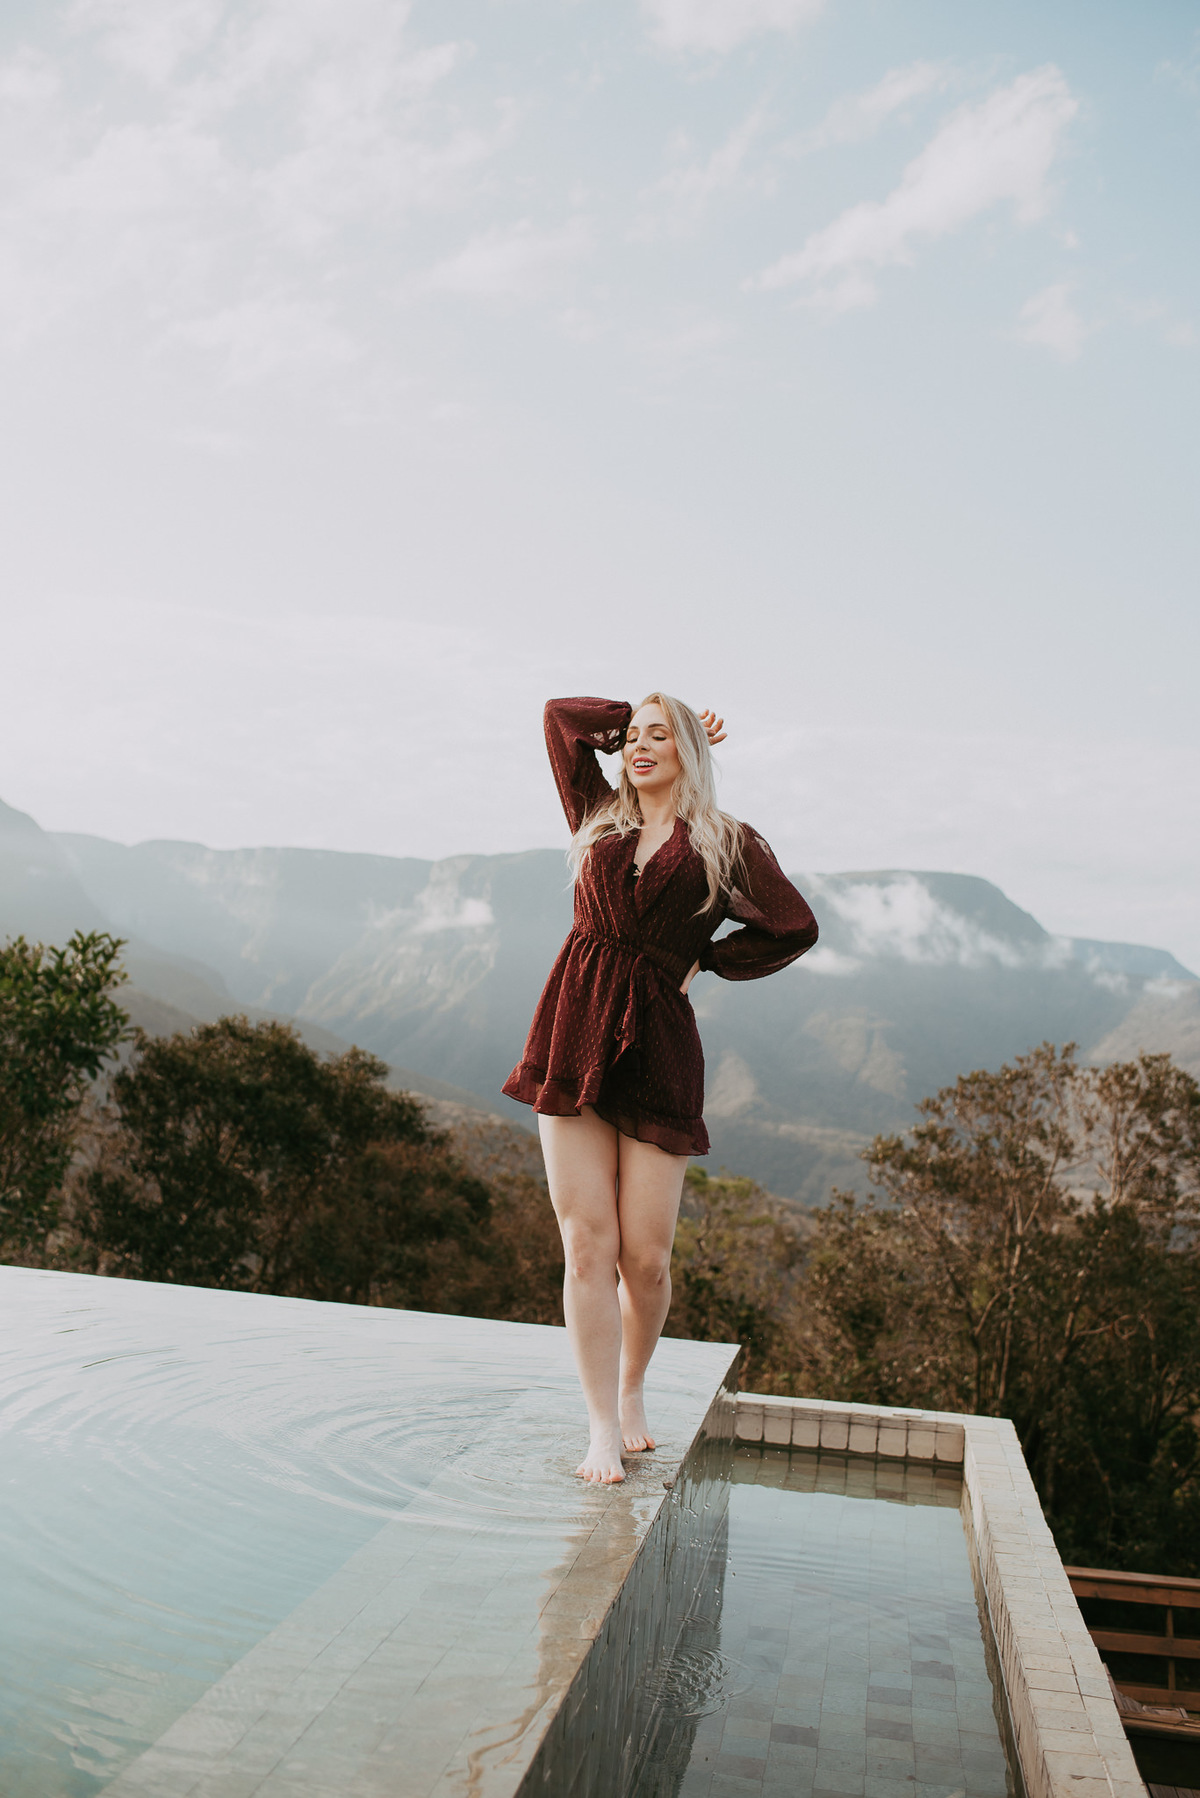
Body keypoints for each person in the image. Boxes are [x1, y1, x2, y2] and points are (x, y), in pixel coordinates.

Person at [503, 695, 818, 1483]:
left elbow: (793, 924)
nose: (640, 748)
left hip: (660, 1043)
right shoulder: (596, 814)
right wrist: (648, 707)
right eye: (633, 739)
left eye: (659, 737)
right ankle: (601, 1427)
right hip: (573, 1028)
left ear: (689, 753)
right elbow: (561, 720)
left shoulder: (724, 840)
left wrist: (706, 961)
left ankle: (635, 1386)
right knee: (587, 1244)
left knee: (644, 1258)